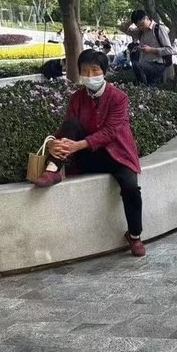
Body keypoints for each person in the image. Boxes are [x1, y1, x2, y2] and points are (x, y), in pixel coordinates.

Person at [33, 50, 146, 257]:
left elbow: (110, 132)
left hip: (117, 155)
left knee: (131, 188)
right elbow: (68, 127)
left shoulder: (119, 98)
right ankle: (53, 169)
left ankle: (134, 235)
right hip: (89, 155)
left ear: (104, 72)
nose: (90, 75)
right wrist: (54, 144)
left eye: (95, 70)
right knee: (71, 124)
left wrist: (78, 145)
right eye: (85, 71)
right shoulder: (77, 98)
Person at [121, 9, 172, 86]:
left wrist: (151, 50)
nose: (141, 27)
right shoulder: (140, 31)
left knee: (136, 65)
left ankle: (142, 87)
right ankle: (144, 88)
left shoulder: (158, 29)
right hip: (145, 64)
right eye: (138, 26)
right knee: (150, 87)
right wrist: (132, 19)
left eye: (142, 24)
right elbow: (123, 28)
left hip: (158, 64)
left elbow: (169, 50)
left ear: (147, 18)